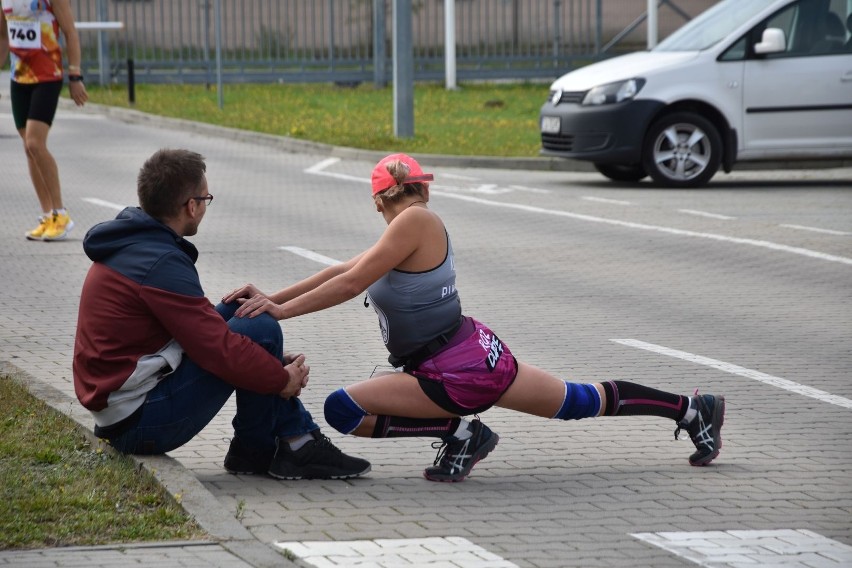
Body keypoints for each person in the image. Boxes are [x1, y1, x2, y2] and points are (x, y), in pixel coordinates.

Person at [226, 153, 725, 483]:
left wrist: (281, 311)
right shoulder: (407, 229)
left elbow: (351, 284)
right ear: (408, 190)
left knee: (343, 411)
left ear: (378, 197)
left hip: (450, 368)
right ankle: (689, 408)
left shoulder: (414, 223)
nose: (422, 195)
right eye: (418, 186)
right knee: (579, 400)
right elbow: (343, 269)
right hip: (472, 353)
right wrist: (274, 296)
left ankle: (461, 433)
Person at [73, 148, 371, 480]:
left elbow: (202, 332)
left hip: (122, 407)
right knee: (259, 329)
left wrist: (267, 362)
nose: (205, 206)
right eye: (206, 198)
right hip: (138, 422)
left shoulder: (138, 244)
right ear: (191, 206)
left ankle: (285, 443)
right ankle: (270, 447)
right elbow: (216, 348)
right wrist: (281, 378)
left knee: (242, 307)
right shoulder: (159, 262)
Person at [0, 0, 88, 241]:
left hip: (47, 76)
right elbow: (3, 38)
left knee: (35, 143)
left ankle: (61, 213)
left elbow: (70, 32)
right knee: (29, 149)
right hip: (19, 79)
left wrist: (75, 74)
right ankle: (48, 215)